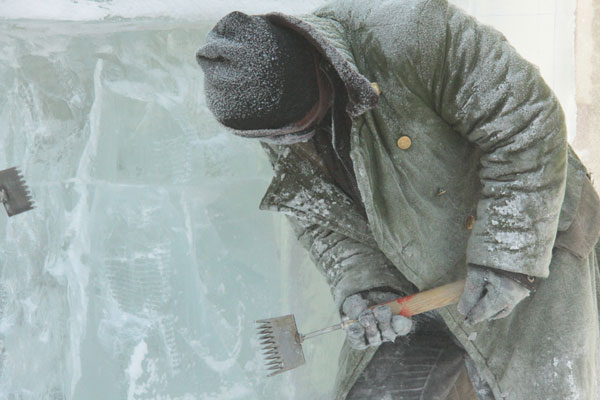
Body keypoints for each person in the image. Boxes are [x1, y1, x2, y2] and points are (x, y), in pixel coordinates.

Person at [195, 0, 600, 399]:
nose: (291, 143)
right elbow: (320, 214)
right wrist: (364, 286)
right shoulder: (277, 119)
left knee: (548, 389)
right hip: (410, 279)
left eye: (300, 127)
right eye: (278, 137)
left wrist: (508, 256)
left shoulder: (416, 36)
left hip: (527, 236)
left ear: (319, 69)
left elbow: (526, 124)